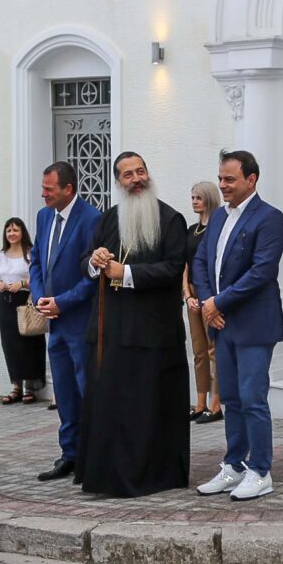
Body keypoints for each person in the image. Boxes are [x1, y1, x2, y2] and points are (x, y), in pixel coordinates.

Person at [80, 151, 190, 497]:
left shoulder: (170, 220)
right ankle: (107, 476)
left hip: (152, 335)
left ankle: (148, 477)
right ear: (118, 182)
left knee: (145, 410)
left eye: (140, 171)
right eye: (128, 175)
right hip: (111, 333)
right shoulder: (108, 219)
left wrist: (124, 273)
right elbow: (86, 261)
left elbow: (172, 268)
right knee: (111, 408)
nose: (136, 179)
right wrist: (95, 260)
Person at [193, 150, 283, 502]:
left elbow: (262, 272)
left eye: (230, 179)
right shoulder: (219, 216)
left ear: (252, 179)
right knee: (230, 399)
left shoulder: (270, 218)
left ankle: (260, 471)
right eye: (220, 178)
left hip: (254, 324)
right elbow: (201, 260)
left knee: (252, 399)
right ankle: (234, 465)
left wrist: (218, 303)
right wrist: (209, 302)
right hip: (221, 322)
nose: (223, 185)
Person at [29, 161, 101, 481]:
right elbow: (36, 261)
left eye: (49, 189)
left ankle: (93, 457)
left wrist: (63, 302)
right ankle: (69, 454)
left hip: (80, 321)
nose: (43, 194)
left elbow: (93, 277)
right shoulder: (44, 216)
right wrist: (40, 296)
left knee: (86, 390)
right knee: (64, 392)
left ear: (68, 189)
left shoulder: (91, 219)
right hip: (54, 323)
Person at [0, 217, 46, 404]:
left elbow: (38, 276)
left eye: (15, 230)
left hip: (25, 302)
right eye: (9, 231)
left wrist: (21, 283)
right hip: (6, 303)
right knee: (10, 345)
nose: (12, 234)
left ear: (22, 232)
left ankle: (29, 386)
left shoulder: (30, 253)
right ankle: (15, 386)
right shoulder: (1, 255)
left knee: (29, 344)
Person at [185, 181, 223, 423]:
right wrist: (186, 295)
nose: (194, 202)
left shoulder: (218, 229)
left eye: (198, 197)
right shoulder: (191, 230)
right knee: (198, 350)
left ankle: (215, 404)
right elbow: (185, 265)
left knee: (213, 350)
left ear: (209, 198)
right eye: (192, 198)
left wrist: (210, 297)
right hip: (192, 295)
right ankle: (199, 402)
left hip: (210, 295)